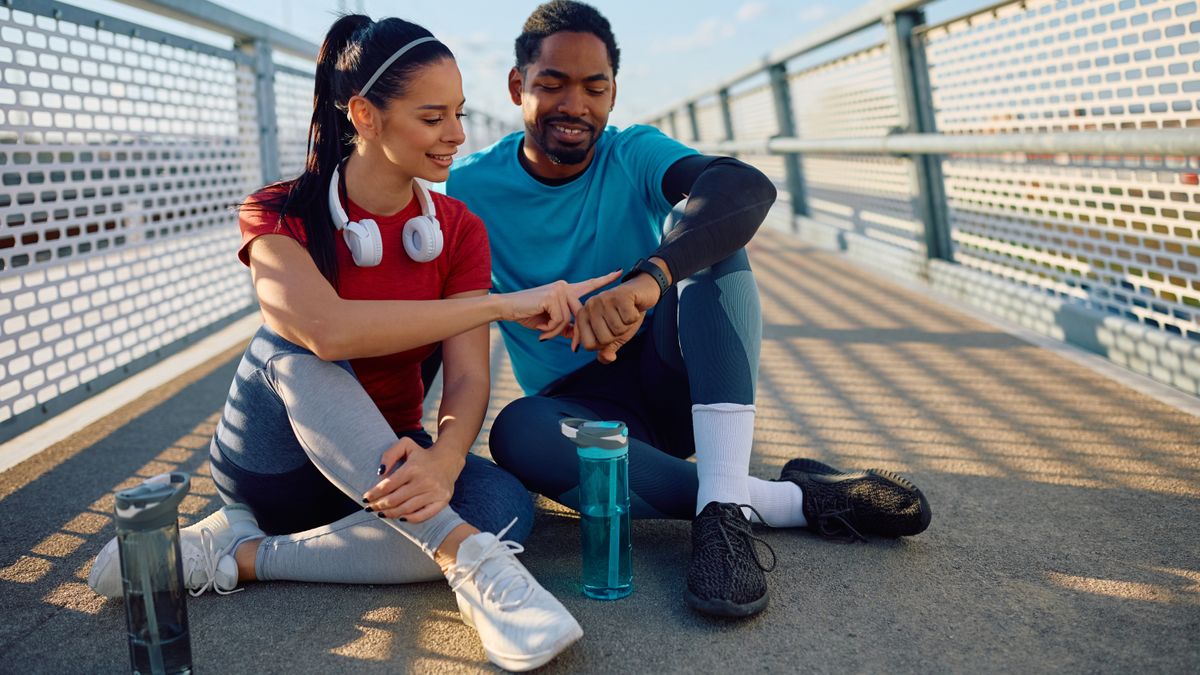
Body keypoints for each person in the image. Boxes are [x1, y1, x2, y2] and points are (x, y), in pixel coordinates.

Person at [85, 14, 615, 671]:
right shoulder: (276, 212)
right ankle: (467, 561)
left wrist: (446, 459)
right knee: (291, 343)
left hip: (380, 466)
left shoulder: (457, 230)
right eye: (432, 117)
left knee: (505, 505)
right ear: (365, 115)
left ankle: (237, 555)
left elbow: (470, 378)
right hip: (273, 466)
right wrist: (500, 303)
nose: (456, 135)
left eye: (460, 113)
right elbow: (324, 331)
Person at [447, 0, 932, 619]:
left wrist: (647, 280)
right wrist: (513, 310)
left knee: (707, 233)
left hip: (672, 377)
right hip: (580, 408)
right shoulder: (467, 186)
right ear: (518, 87)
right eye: (552, 84)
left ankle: (725, 518)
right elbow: (447, 302)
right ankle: (776, 501)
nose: (575, 105)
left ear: (614, 94)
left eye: (595, 88)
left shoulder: (634, 152)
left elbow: (744, 186)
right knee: (516, 432)